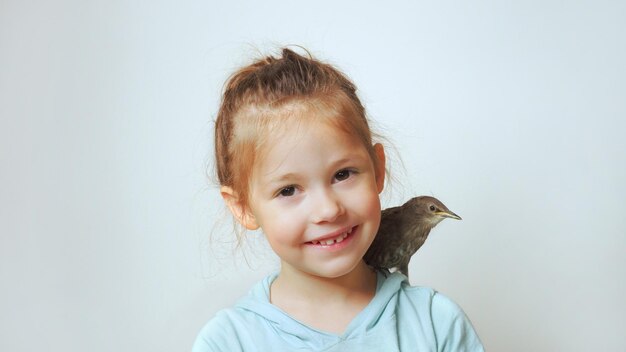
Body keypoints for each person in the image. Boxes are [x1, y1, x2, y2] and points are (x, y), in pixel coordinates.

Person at [193, 47, 484, 351]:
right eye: (288, 190)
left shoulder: (436, 324)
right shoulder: (229, 342)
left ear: (377, 169)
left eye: (343, 174)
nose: (328, 210)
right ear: (243, 208)